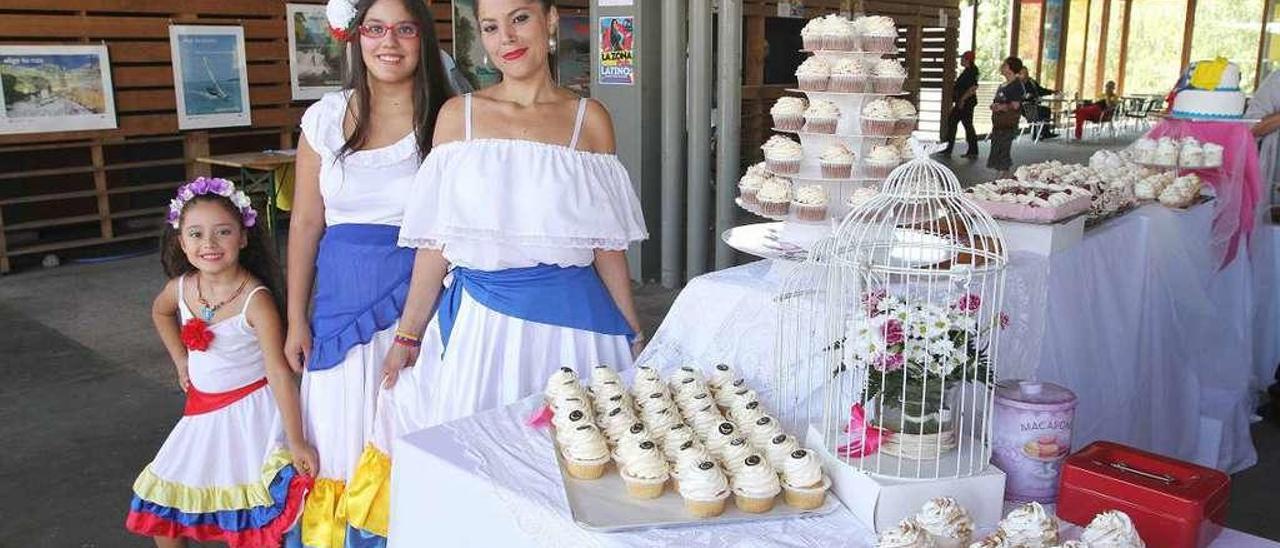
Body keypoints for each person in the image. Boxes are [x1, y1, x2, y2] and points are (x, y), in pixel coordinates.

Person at [367, 0, 647, 495]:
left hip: (576, 329)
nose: (506, 39)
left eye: (520, 19)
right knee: (482, 477)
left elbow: (606, 245)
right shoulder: (460, 116)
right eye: (491, 27)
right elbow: (435, 243)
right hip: (483, 329)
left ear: (551, 21)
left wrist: (632, 332)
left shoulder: (591, 120)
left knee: (583, 471)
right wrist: (408, 335)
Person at [281, 0, 452, 544]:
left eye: (405, 29)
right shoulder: (325, 117)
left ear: (424, 40)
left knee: (407, 435)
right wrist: (293, 320)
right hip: (336, 306)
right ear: (356, 38)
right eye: (376, 29)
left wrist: (416, 325)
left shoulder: (450, 117)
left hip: (422, 306)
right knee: (335, 439)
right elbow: (306, 222)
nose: (389, 42)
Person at [125, 179, 317, 548]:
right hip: (201, 415)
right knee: (163, 510)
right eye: (195, 234)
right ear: (181, 242)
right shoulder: (180, 288)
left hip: (250, 420)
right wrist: (181, 360)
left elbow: (278, 372)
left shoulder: (255, 299)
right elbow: (160, 312)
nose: (208, 244)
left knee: (247, 517)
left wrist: (296, 440)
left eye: (223, 232)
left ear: (243, 238)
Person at [989, 57, 1029, 177]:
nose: (1002, 66)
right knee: (997, 147)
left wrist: (1001, 107)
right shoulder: (1003, 84)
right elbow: (998, 100)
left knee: (1003, 149)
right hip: (998, 122)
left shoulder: (1017, 85)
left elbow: (1016, 105)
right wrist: (994, 105)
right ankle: (1002, 176)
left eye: (1005, 65)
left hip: (1008, 122)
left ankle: (1002, 177)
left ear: (1010, 69)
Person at [941, 50, 980, 158]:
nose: (961, 60)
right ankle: (949, 148)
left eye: (962, 58)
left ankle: (971, 150)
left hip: (966, 103)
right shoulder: (967, 70)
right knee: (955, 122)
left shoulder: (972, 71)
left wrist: (962, 99)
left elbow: (973, 87)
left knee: (962, 124)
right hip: (962, 102)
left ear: (967, 60)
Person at [1018, 67, 1057, 139]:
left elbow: (1040, 90)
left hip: (1034, 105)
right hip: (1025, 108)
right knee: (1043, 112)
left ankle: (1043, 133)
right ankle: (1040, 133)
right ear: (1019, 74)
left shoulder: (1031, 81)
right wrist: (1025, 97)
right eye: (1023, 73)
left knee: (1046, 110)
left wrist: (1052, 92)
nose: (1026, 74)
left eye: (1027, 72)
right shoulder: (1017, 84)